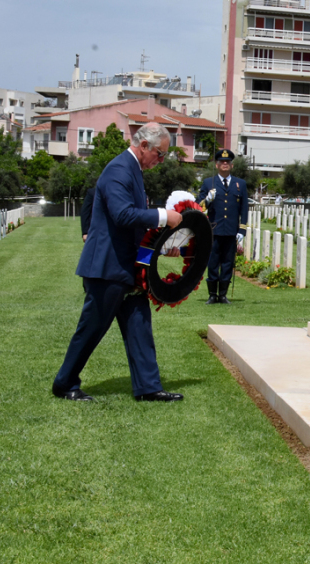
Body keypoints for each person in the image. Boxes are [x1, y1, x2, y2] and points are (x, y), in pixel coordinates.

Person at [52, 123, 184, 402]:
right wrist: (163, 215)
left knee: (139, 325)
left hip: (127, 266)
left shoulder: (133, 170)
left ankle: (148, 387)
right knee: (92, 328)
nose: (160, 161)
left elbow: (133, 232)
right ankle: (64, 383)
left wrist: (162, 250)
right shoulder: (119, 169)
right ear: (144, 145)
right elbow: (123, 215)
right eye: (159, 154)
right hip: (107, 267)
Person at [198, 149, 249, 304]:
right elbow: (198, 207)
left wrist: (242, 230)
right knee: (213, 262)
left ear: (232, 165)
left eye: (227, 162)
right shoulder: (208, 183)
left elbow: (244, 209)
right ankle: (212, 294)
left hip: (231, 230)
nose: (225, 164)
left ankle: (223, 295)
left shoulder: (240, 184)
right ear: (217, 164)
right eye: (222, 162)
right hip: (214, 229)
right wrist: (207, 199)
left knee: (228, 262)